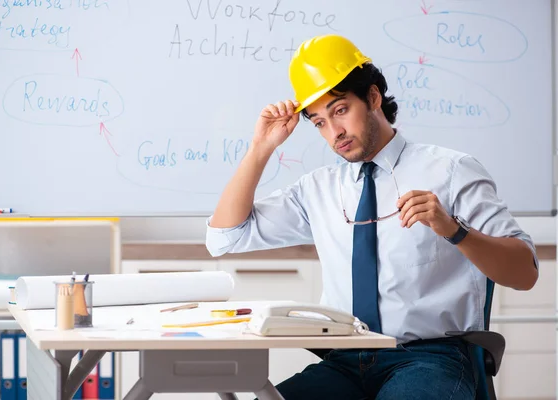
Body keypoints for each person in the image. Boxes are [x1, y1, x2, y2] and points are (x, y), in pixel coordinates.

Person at [205, 34, 539, 399]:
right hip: (344, 362)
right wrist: (260, 148)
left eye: (340, 110)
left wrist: (453, 231)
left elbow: (524, 274)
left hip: (428, 358)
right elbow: (225, 238)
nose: (335, 133)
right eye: (319, 122)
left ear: (373, 97)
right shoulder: (318, 189)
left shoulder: (452, 170)